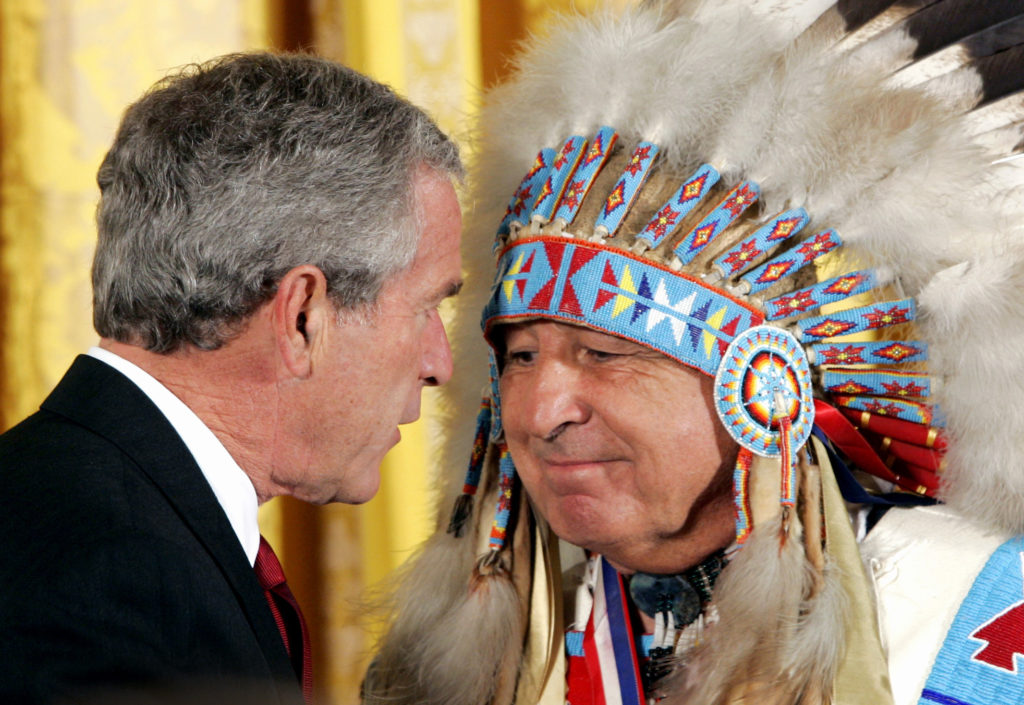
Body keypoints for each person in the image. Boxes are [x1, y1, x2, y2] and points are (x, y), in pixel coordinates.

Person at [362, 2, 1024, 704]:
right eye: (520, 355)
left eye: (604, 353)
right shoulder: (486, 655)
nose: (540, 412)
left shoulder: (967, 621)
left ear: (768, 387)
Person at [0, 52, 463, 705]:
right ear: (303, 316)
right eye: (427, 308)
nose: (439, 362)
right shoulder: (104, 594)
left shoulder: (89, 513)